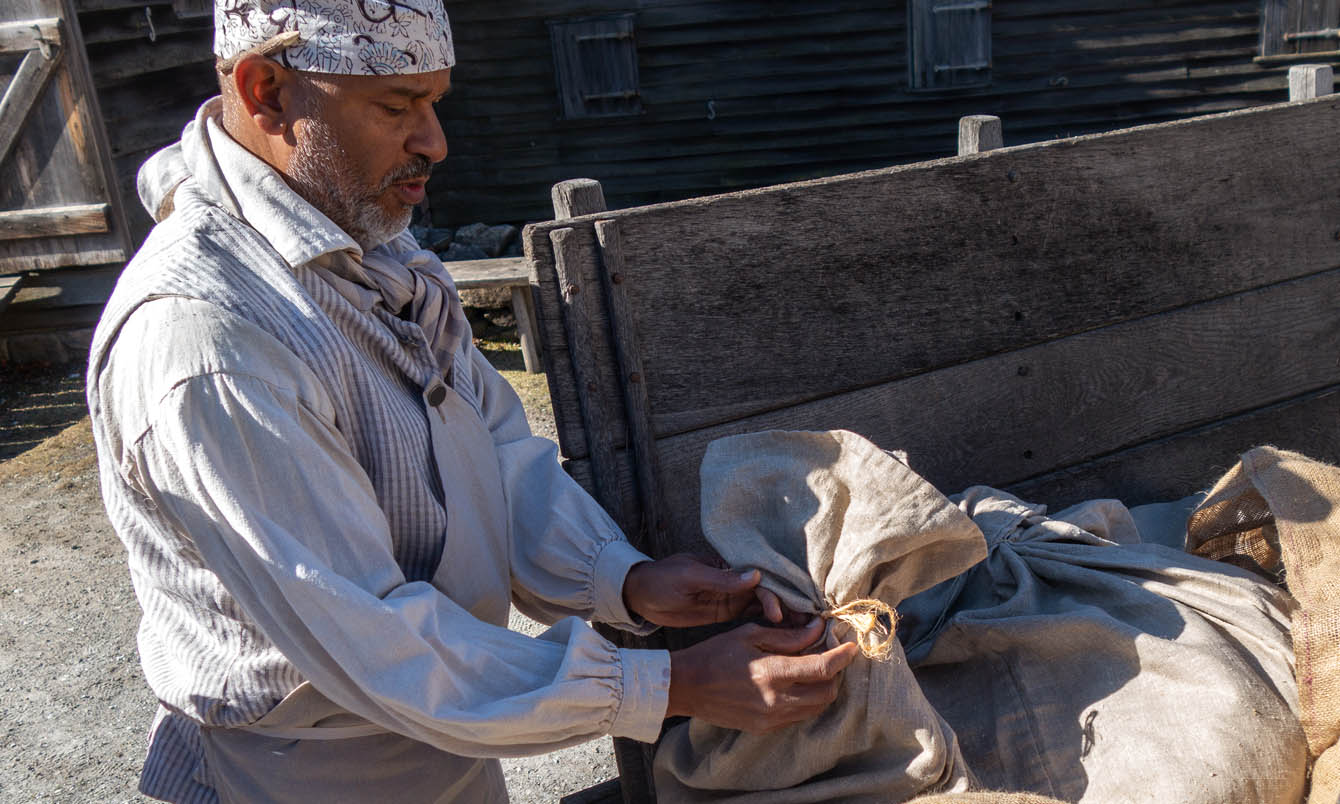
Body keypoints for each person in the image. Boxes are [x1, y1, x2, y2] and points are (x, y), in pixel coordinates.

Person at [85, 2, 859, 802]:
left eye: (435, 102)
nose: (435, 142)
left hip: (440, 742)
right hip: (307, 774)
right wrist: (665, 685)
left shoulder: (372, 250)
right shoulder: (208, 337)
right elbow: (369, 639)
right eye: (397, 106)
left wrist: (621, 581)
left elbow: (488, 452)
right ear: (268, 92)